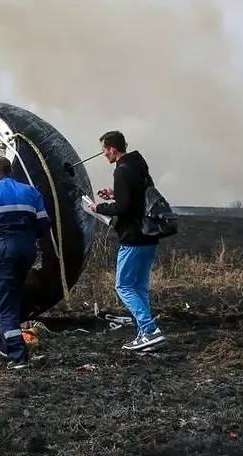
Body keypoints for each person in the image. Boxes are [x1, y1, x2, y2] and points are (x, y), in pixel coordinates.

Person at [87, 130, 166, 352]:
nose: (104, 155)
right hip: (149, 236)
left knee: (123, 286)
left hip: (132, 238)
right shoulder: (138, 165)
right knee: (139, 287)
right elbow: (137, 196)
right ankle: (145, 336)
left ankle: (150, 330)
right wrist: (115, 193)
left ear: (112, 149)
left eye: (104, 150)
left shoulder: (121, 170)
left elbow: (124, 208)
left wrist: (98, 207)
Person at [0, 157, 49, 370]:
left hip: (4, 247)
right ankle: (7, 346)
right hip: (27, 249)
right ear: (12, 171)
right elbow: (44, 223)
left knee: (4, 303)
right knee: (13, 293)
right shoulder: (31, 192)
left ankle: (18, 356)